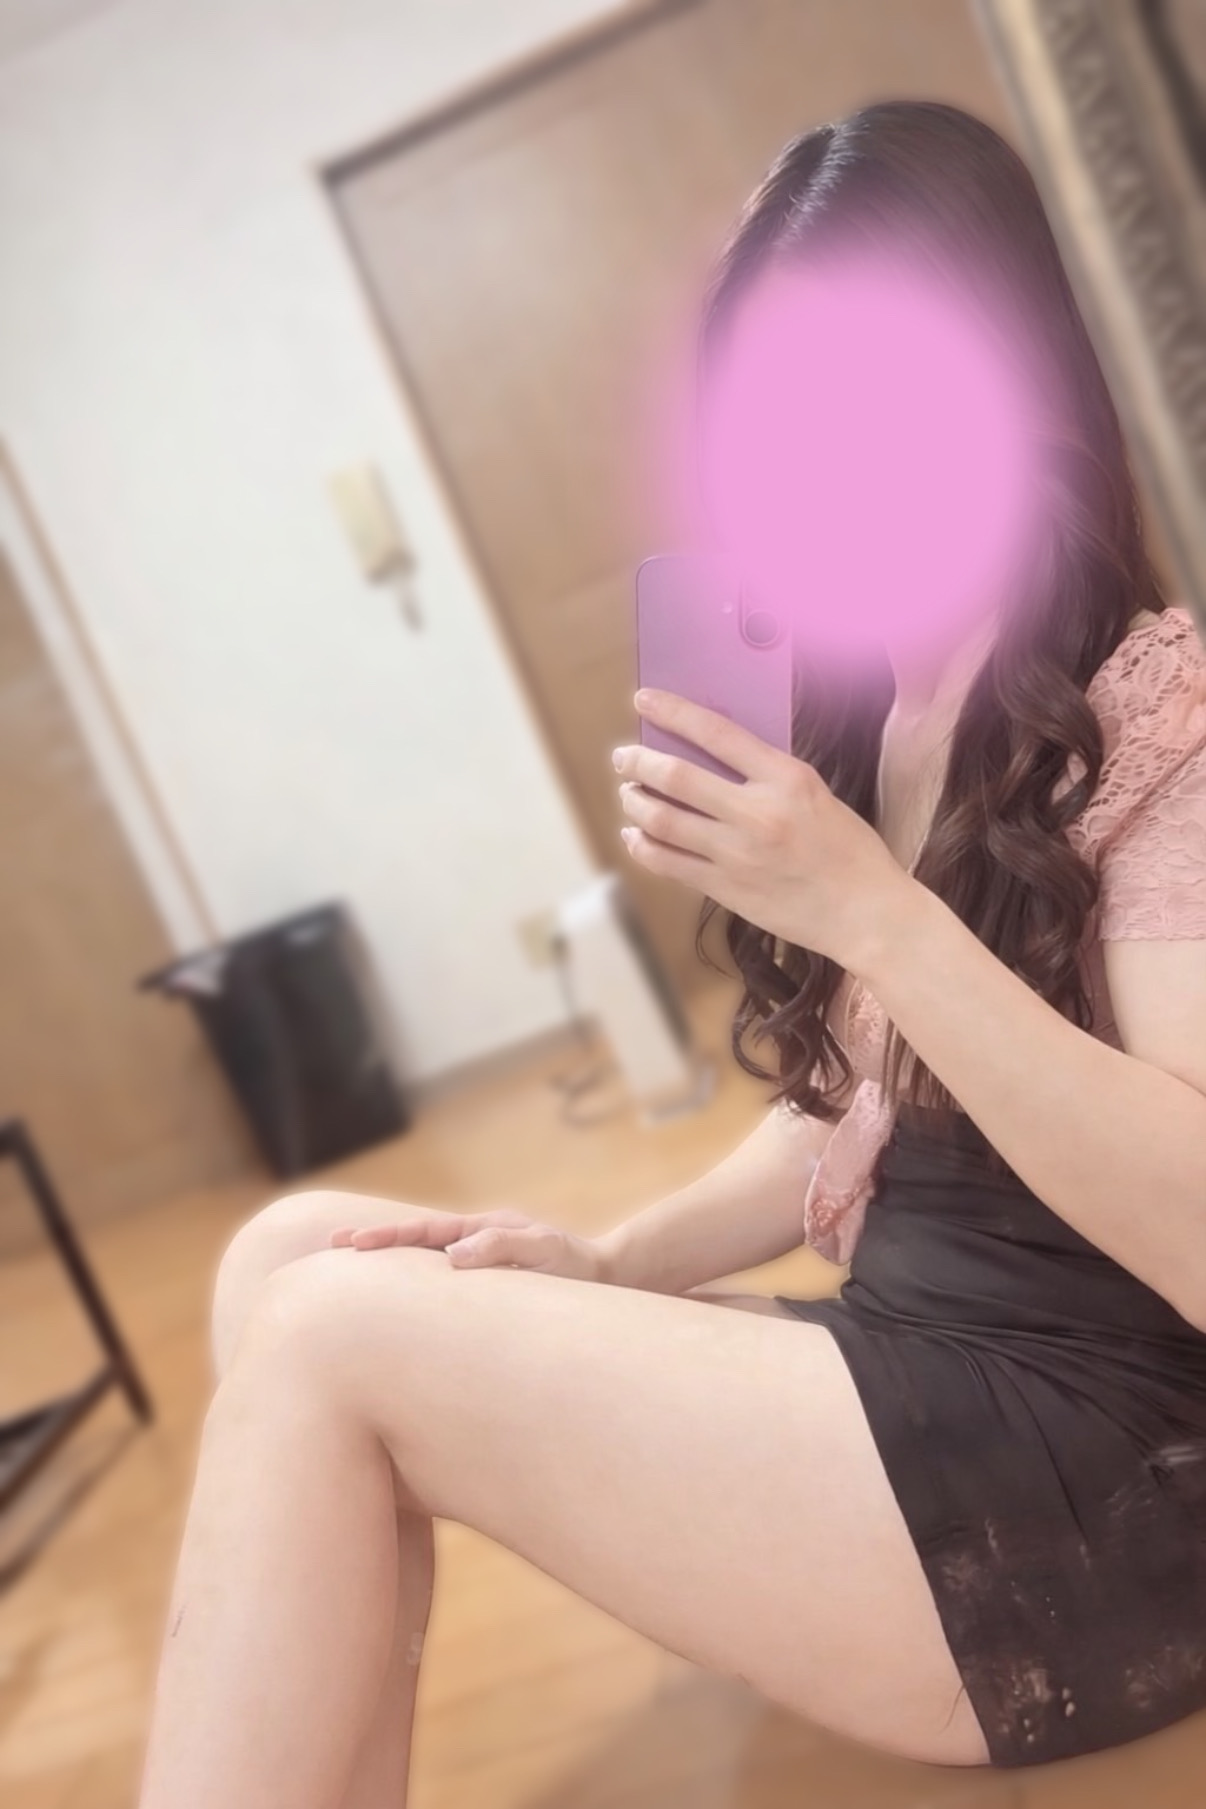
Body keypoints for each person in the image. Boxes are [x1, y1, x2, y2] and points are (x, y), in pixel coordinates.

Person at [137, 100, 1206, 1806]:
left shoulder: (1150, 707)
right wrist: (610, 1259)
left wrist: (868, 910)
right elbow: (860, 1110)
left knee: (334, 1337)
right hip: (916, 1358)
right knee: (287, 1256)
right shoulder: (886, 707)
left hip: (1093, 1476)